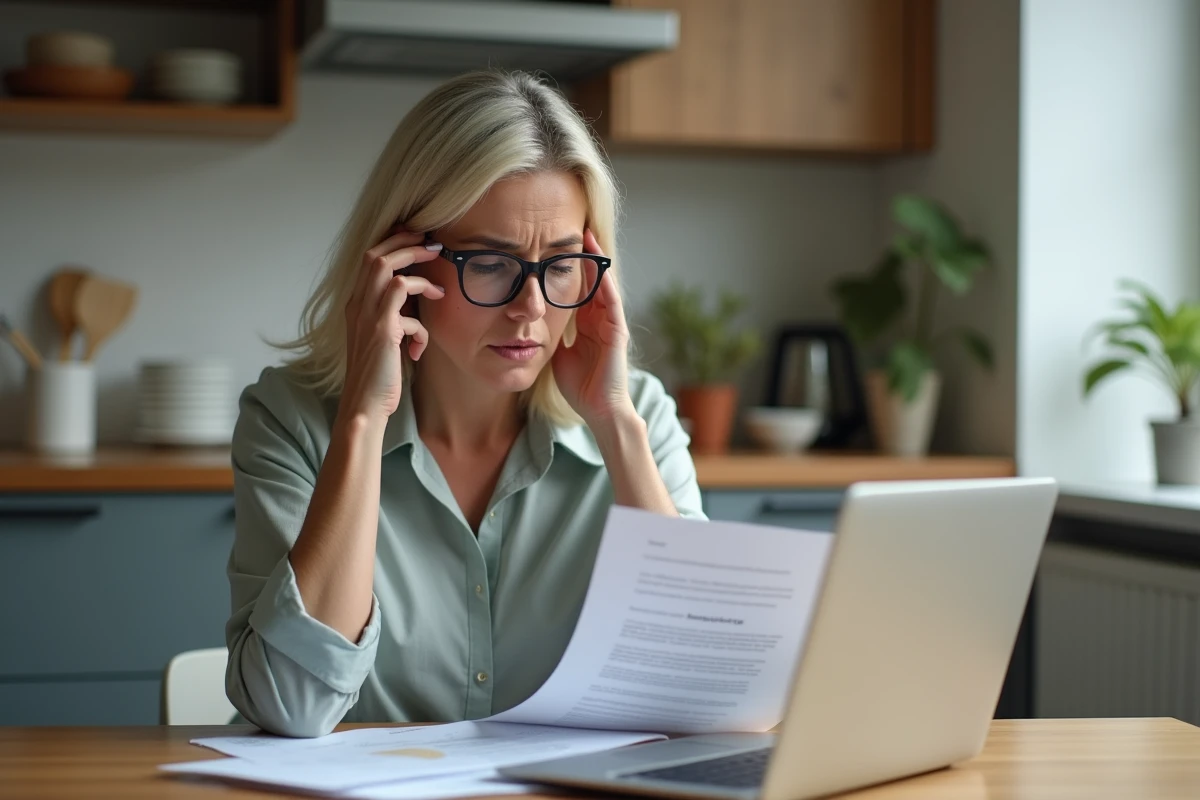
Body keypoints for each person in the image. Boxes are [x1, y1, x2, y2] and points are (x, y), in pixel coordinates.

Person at [224, 71, 706, 738]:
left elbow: (701, 689)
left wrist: (616, 425)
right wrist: (362, 423)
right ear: (402, 263)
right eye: (490, 263)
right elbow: (290, 707)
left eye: (562, 264)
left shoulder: (637, 415)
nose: (531, 309)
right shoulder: (292, 419)